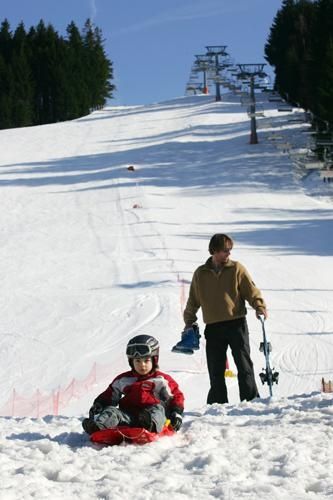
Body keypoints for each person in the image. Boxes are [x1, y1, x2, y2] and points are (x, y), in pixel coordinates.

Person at [183, 233, 267, 405]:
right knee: (215, 369)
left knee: (244, 366)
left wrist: (259, 306)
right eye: (225, 251)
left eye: (230, 250)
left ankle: (251, 401)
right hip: (213, 327)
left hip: (236, 324)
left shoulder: (236, 269)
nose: (229, 254)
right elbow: (193, 299)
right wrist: (189, 321)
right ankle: (217, 405)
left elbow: (251, 290)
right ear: (214, 250)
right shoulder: (201, 274)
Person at [82, 334, 184, 435]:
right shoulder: (124, 379)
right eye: (138, 361)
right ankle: (98, 427)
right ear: (131, 362)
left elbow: (175, 396)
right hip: (128, 416)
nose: (142, 365)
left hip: (153, 415)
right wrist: (100, 404)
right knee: (112, 411)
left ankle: (150, 425)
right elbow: (110, 394)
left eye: (146, 360)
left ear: (154, 360)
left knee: (158, 409)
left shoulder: (161, 379)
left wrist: (176, 413)